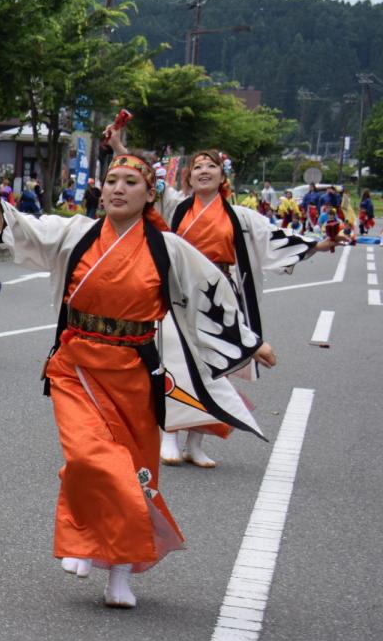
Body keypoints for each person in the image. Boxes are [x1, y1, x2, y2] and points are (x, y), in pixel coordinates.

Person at [0, 152, 264, 608]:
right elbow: (22, 228)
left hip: (135, 373)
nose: (118, 189)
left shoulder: (168, 247)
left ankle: (119, 575)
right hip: (76, 367)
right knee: (90, 459)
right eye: (111, 180)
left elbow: (209, 297)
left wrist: (248, 343)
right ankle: (86, 541)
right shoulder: (77, 233)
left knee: (135, 472)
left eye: (130, 182)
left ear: (150, 195)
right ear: (100, 190)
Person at [143, 144, 342, 467]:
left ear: (222, 175)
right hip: (179, 293)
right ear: (188, 176)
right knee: (176, 363)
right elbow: (146, 184)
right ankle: (170, 435)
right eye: (197, 167)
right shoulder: (176, 208)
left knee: (216, 365)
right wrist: (120, 146)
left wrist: (321, 244)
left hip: (220, 294)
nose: (204, 171)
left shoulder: (241, 216)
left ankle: (196, 441)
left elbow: (276, 239)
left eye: (211, 166)